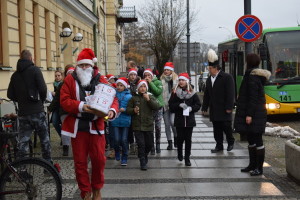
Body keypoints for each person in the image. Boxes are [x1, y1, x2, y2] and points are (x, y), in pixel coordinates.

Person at [60, 48, 119, 200]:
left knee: (99, 160)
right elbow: (64, 101)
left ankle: (97, 189)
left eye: (87, 65)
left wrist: (112, 110)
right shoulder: (69, 80)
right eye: (82, 66)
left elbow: (113, 97)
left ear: (92, 66)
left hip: (96, 126)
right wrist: (81, 106)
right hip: (78, 127)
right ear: (78, 66)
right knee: (80, 162)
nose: (84, 68)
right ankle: (85, 191)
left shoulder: (101, 79)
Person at [7, 49, 52, 163]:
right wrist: (40, 101)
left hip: (23, 113)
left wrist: (21, 100)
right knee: (44, 140)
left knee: (23, 142)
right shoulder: (35, 70)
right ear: (31, 58)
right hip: (37, 111)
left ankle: (21, 169)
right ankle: (48, 166)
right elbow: (43, 89)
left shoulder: (15, 75)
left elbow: (9, 94)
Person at [234, 53, 271, 176]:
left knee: (257, 139)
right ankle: (252, 164)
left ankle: (259, 168)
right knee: (251, 139)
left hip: (255, 115)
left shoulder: (252, 78)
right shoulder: (251, 75)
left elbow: (253, 99)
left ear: (248, 63)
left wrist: (249, 115)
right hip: (254, 113)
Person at [201, 49, 235, 153]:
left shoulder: (226, 77)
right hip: (214, 108)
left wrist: (229, 107)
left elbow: (231, 93)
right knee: (216, 128)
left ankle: (230, 142)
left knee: (226, 126)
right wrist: (204, 107)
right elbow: (207, 94)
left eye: (210, 68)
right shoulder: (208, 79)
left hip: (224, 108)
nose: (209, 70)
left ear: (216, 68)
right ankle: (219, 145)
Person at [126, 80, 160, 170]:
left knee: (149, 144)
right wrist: (133, 110)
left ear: (146, 88)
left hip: (148, 124)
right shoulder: (134, 98)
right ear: (138, 88)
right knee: (141, 144)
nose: (142, 88)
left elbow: (157, 106)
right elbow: (128, 109)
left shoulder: (150, 96)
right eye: (141, 86)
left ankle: (144, 155)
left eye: (144, 86)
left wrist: (148, 100)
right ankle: (142, 161)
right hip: (138, 125)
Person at [169, 73, 201, 166]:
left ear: (187, 81)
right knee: (180, 139)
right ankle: (179, 154)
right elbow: (171, 105)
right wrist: (178, 105)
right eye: (180, 80)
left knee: (188, 140)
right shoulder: (175, 93)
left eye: (183, 80)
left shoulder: (193, 93)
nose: (181, 82)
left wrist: (191, 108)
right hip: (179, 120)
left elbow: (198, 104)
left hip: (189, 121)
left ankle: (187, 158)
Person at [48, 65, 74, 156]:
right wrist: (50, 109)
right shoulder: (62, 85)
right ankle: (65, 146)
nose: (71, 75)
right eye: (69, 73)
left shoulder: (78, 83)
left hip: (75, 109)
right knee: (65, 127)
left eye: (72, 73)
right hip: (64, 110)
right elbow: (57, 98)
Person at [110, 77, 132, 166]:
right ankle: (117, 151)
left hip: (125, 120)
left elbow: (131, 109)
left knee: (124, 139)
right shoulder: (113, 95)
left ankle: (125, 156)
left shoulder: (129, 96)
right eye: (118, 85)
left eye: (121, 85)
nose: (119, 87)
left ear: (125, 86)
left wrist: (125, 110)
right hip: (115, 120)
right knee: (116, 139)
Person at [143, 68, 164, 154]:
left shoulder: (158, 82)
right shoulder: (144, 84)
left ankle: (158, 144)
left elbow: (157, 92)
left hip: (158, 107)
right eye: (145, 76)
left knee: (158, 127)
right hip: (149, 108)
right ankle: (151, 146)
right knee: (150, 128)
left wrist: (150, 82)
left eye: (149, 75)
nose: (147, 77)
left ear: (152, 76)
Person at [160, 62, 178, 150]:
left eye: (168, 70)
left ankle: (176, 136)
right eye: (165, 70)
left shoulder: (176, 79)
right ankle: (169, 142)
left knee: (173, 122)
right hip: (165, 105)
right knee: (167, 124)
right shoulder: (161, 79)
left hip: (174, 106)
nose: (166, 71)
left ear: (171, 70)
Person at [127, 68, 141, 155]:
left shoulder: (138, 83)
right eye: (131, 75)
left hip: (137, 107)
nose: (132, 76)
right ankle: (132, 144)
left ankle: (138, 144)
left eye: (134, 75)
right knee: (129, 127)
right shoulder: (126, 83)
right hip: (129, 107)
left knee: (137, 127)